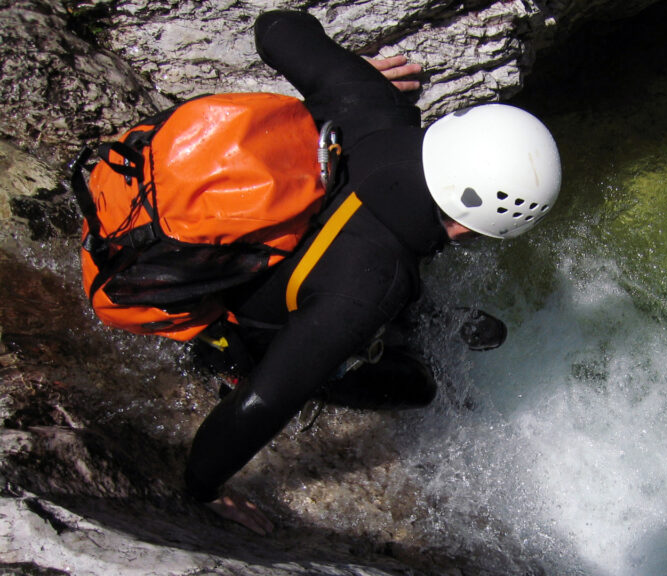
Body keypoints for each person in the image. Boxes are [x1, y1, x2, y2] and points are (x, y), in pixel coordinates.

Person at [182, 10, 561, 535]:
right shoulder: (371, 288)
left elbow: (275, 26)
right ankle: (255, 359)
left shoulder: (373, 104)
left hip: (223, 240)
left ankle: (419, 319)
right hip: (233, 319)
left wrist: (352, 74)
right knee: (419, 384)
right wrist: (200, 491)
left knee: (444, 317)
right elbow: (267, 400)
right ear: (478, 225)